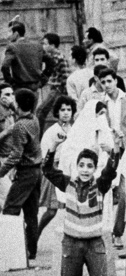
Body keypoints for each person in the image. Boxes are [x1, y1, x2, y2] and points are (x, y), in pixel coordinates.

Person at [42, 138, 120, 276]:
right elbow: (47, 170)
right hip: (71, 243)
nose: (85, 170)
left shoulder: (101, 185)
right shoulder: (67, 183)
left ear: (95, 169)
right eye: (82, 165)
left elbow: (111, 172)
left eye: (90, 166)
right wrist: (52, 147)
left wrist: (113, 152)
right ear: (76, 167)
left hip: (95, 243)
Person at [0, 89, 43, 261]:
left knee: (10, 208)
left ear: (18, 104)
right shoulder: (33, 119)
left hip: (25, 173)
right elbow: (23, 108)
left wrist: (1, 172)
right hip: (36, 171)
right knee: (31, 214)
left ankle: (11, 251)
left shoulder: (18, 126)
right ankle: (31, 251)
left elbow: (16, 155)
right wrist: (14, 104)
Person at [37, 95, 76, 238]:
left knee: (71, 206)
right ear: (57, 112)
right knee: (52, 209)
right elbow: (44, 153)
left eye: (69, 109)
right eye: (62, 110)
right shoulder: (52, 131)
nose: (66, 113)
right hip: (53, 169)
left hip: (69, 169)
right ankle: (35, 234)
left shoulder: (73, 129)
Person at [2, 21, 45, 93]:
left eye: (9, 32)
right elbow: (51, 62)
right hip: (35, 87)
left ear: (16, 34)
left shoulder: (12, 47)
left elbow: (4, 66)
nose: (7, 36)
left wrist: (11, 82)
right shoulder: (37, 46)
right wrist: (44, 79)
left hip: (19, 88)